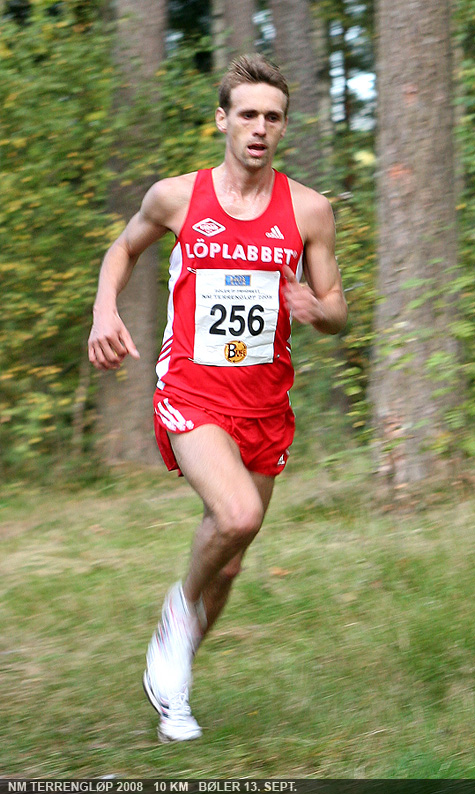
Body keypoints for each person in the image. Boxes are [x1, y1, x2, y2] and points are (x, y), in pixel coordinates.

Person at [88, 53, 348, 743]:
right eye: (248, 114)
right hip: (192, 392)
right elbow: (123, 250)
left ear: (283, 128)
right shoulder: (176, 197)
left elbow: (336, 308)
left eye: (273, 117)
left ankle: (175, 682)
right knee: (235, 515)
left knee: (231, 559)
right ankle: (177, 613)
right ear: (222, 120)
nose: (259, 127)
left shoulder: (308, 210)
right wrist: (104, 311)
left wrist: (316, 310)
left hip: (266, 403)